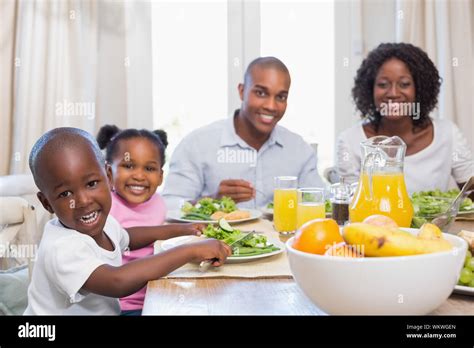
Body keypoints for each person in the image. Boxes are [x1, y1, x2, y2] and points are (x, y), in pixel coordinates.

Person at [25, 127, 231, 315]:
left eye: (91, 183)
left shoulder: (101, 223)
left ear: (108, 177)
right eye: (65, 194)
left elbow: (128, 237)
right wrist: (190, 251)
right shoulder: (62, 248)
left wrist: (182, 229)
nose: (83, 201)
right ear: (47, 203)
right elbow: (118, 282)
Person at [162, 56, 325, 210]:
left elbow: (320, 203)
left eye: (281, 97)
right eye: (261, 93)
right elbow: (169, 206)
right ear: (241, 91)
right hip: (216, 239)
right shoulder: (197, 144)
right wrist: (213, 201)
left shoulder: (299, 150)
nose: (271, 106)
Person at [336, 42, 473, 193]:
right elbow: (350, 205)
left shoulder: (448, 134)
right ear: (370, 89)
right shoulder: (350, 141)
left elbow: (470, 188)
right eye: (383, 85)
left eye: (404, 84)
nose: (393, 93)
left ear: (419, 88)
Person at [96, 125, 170, 315]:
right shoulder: (103, 207)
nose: (139, 175)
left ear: (161, 176)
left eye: (149, 168)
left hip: (158, 297)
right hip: (119, 306)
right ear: (108, 171)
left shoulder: (159, 203)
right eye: (128, 166)